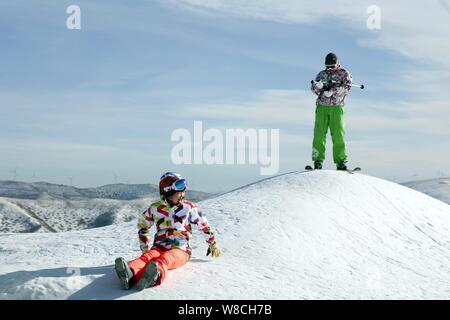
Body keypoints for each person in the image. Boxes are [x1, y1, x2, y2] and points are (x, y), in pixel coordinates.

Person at [114, 172, 220, 290]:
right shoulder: (155, 209)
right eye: (179, 192)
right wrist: (145, 248)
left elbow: (204, 225)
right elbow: (142, 225)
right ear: (168, 193)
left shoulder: (189, 208)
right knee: (147, 257)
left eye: (183, 192)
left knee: (165, 259)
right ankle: (130, 274)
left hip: (181, 249)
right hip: (159, 247)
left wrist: (212, 243)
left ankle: (156, 275)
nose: (182, 195)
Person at [310, 52, 353, 170]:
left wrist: (333, 91)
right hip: (322, 106)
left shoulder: (344, 73)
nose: (329, 69)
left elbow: (348, 87)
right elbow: (314, 89)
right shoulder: (321, 74)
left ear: (337, 63)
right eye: (327, 66)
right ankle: (317, 160)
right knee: (319, 133)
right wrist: (318, 87)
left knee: (338, 133)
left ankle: (340, 161)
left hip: (336, 107)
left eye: (332, 66)